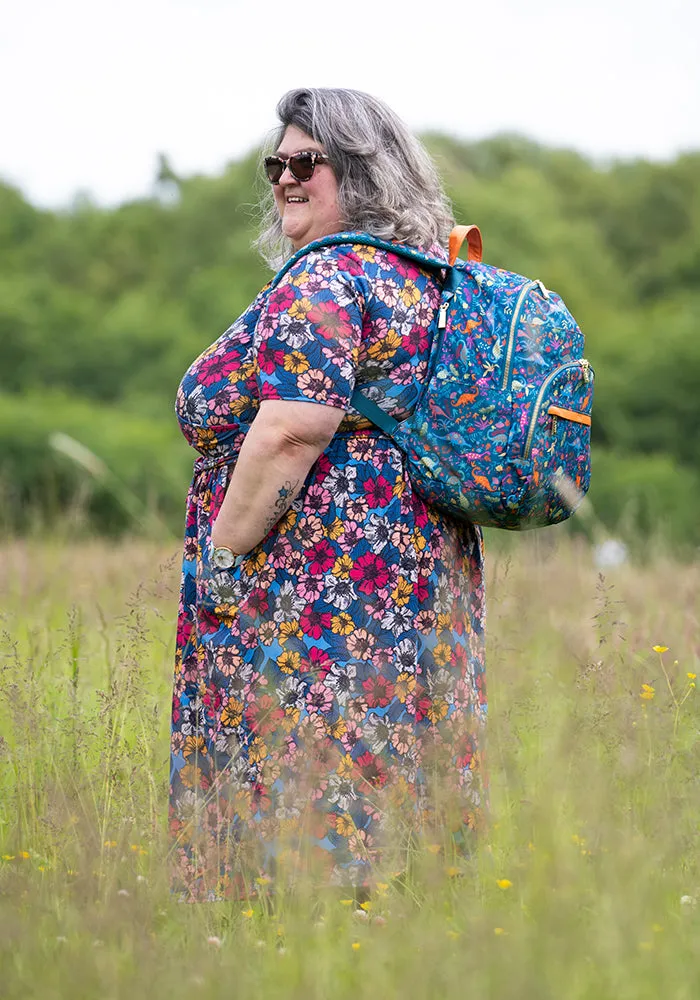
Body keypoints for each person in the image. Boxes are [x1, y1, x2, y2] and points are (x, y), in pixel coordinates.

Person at [170, 88, 486, 902]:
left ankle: (297, 952)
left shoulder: (332, 274)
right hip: (416, 572)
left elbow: (291, 431)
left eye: (306, 161)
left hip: (317, 589)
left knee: (308, 775)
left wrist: (223, 555)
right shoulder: (428, 277)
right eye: (276, 162)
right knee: (396, 764)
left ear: (361, 169)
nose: (284, 178)